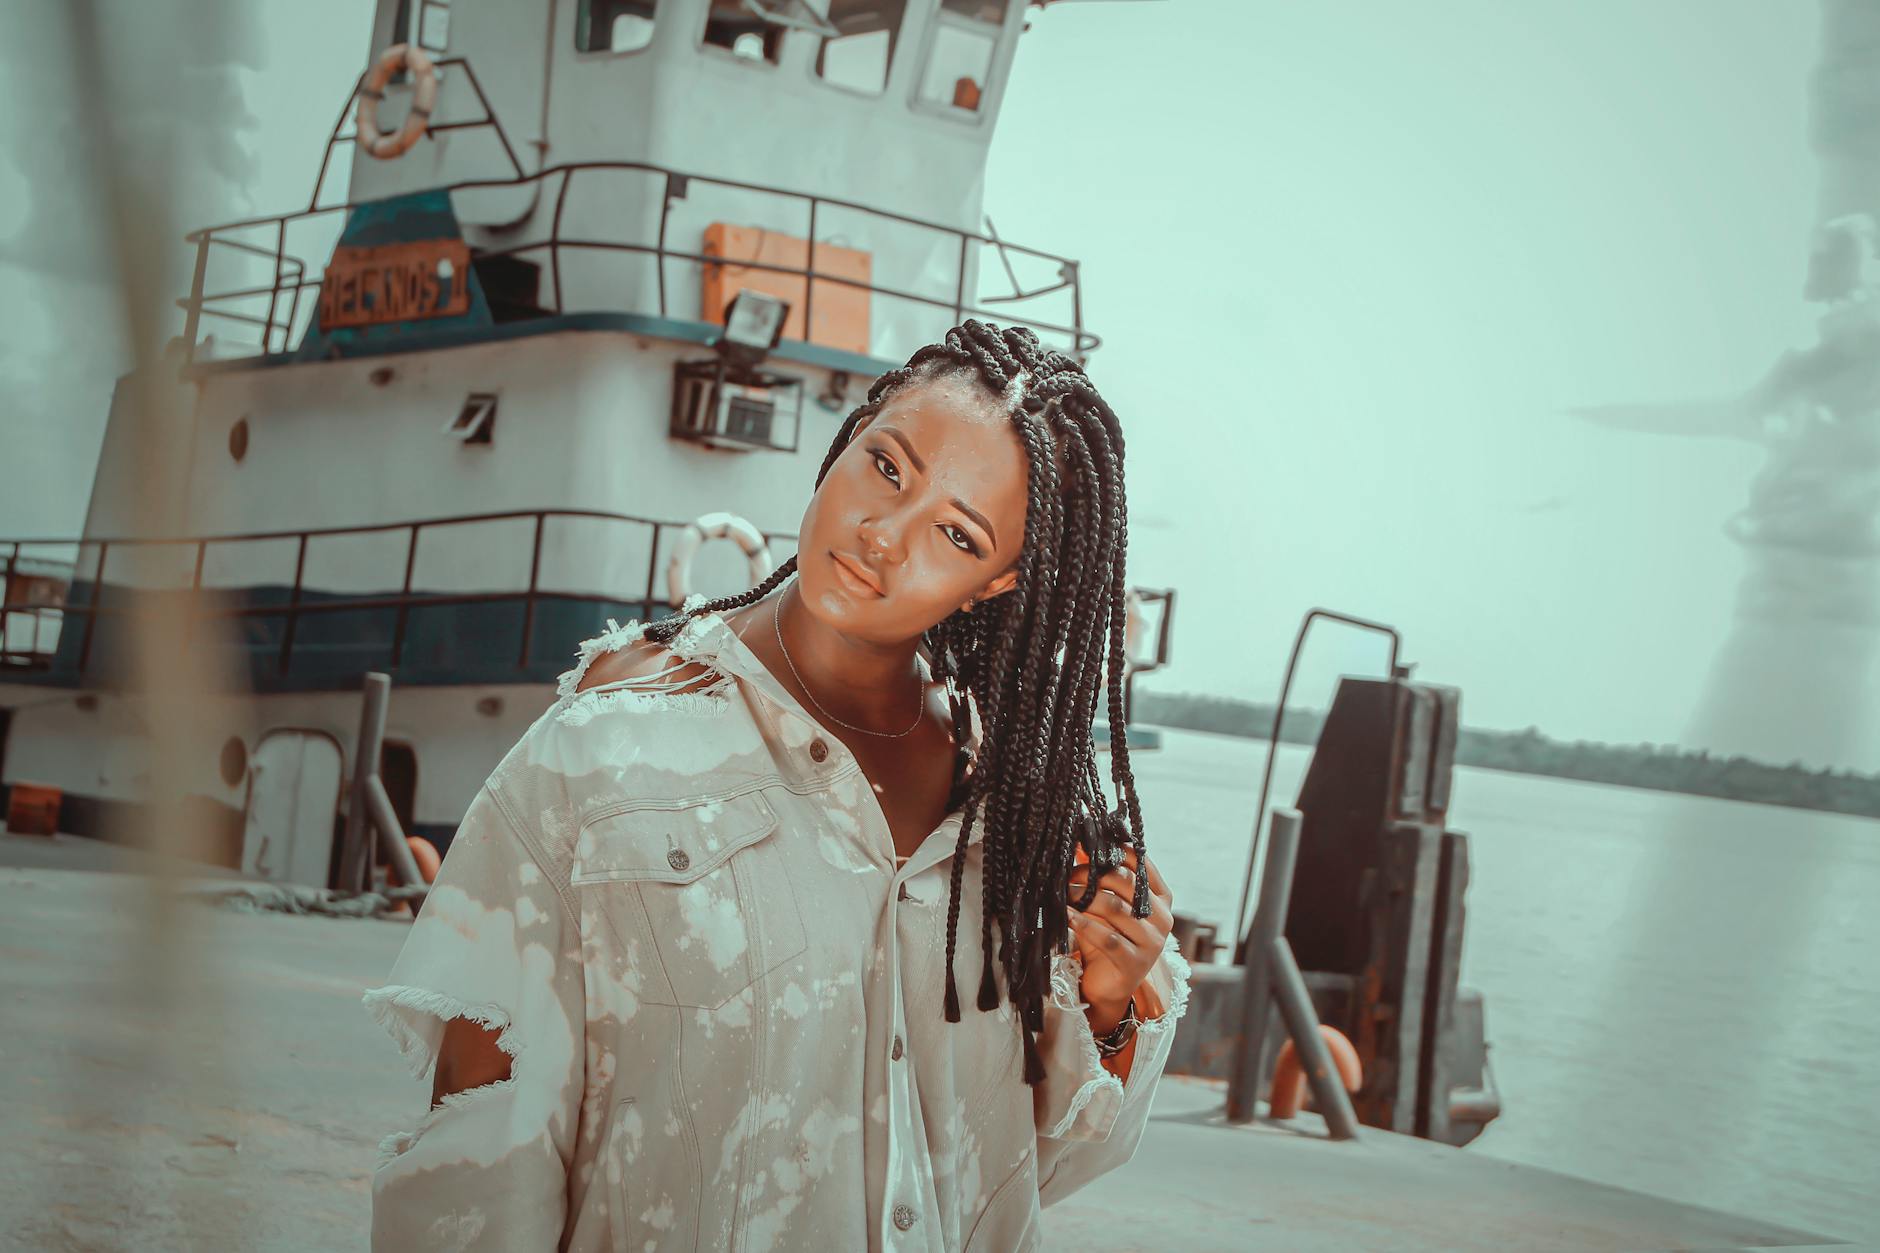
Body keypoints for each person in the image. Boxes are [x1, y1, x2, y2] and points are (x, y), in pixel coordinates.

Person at [363, 320, 1190, 1250]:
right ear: (852, 431)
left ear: (997, 583)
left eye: (955, 532)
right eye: (888, 468)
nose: (885, 535)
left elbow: (1028, 1165)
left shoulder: (1014, 815)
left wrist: (1110, 1006)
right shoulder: (607, 747)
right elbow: (481, 1144)